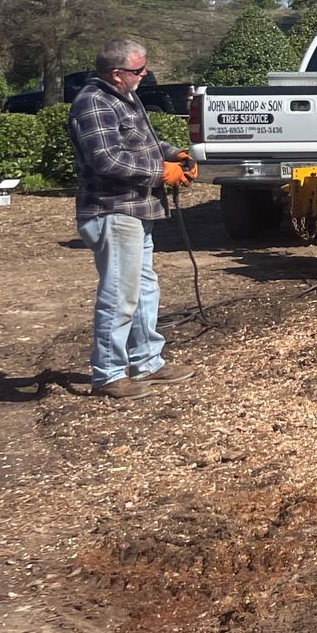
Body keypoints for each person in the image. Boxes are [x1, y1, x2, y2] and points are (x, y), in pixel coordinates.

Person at [67, 37, 201, 399]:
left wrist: (176, 154)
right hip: (111, 209)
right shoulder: (93, 102)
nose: (145, 74)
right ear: (116, 73)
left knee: (144, 290)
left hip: (136, 208)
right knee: (119, 294)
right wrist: (161, 173)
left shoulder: (124, 97)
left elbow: (142, 143)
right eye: (138, 70)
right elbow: (108, 160)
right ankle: (108, 374)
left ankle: (148, 363)